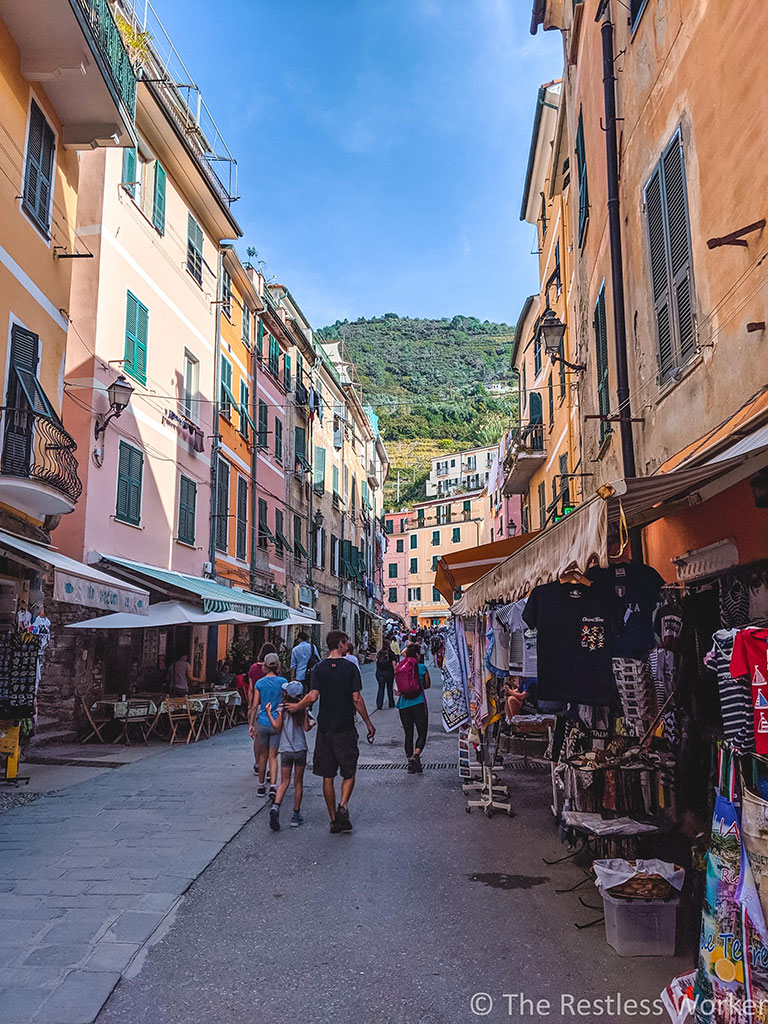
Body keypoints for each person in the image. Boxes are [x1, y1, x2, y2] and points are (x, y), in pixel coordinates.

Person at [292, 630, 375, 833]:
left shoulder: (319, 669)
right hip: (345, 726)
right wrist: (368, 723)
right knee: (349, 771)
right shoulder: (350, 668)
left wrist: (297, 706)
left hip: (326, 728)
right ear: (340, 643)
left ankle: (333, 819)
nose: (347, 646)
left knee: (327, 776)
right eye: (346, 642)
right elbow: (356, 699)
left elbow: (312, 696)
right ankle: (343, 806)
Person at [264, 681, 315, 831]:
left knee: (284, 782)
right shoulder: (303, 709)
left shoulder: (282, 709)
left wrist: (268, 713)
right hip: (300, 750)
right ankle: (295, 815)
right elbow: (306, 728)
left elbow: (277, 728)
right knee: (298, 782)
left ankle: (276, 806)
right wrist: (311, 724)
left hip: (285, 750)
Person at [249, 651, 286, 800]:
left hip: (262, 721)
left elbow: (255, 704)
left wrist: (251, 723)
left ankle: (261, 786)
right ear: (277, 665)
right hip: (276, 721)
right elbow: (285, 700)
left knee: (262, 756)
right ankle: (274, 786)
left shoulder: (260, 683)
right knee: (273, 756)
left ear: (265, 665)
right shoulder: (283, 682)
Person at [396, 643, 430, 773]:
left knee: (408, 733)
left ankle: (410, 762)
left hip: (403, 704)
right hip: (418, 703)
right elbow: (427, 685)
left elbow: (398, 688)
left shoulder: (401, 667)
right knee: (422, 732)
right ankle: (416, 755)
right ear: (417, 655)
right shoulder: (422, 668)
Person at [248, 643, 276, 779]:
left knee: (257, 738)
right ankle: (271, 768)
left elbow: (250, 690)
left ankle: (257, 763)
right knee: (273, 741)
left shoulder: (253, 668)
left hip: (258, 706)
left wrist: (249, 708)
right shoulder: (278, 674)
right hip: (274, 708)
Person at [375, 642, 396, 710]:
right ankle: (391, 703)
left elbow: (376, 661)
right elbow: (394, 663)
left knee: (381, 688)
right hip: (389, 672)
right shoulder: (391, 653)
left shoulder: (380, 653)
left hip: (380, 672)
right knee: (389, 688)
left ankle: (379, 704)